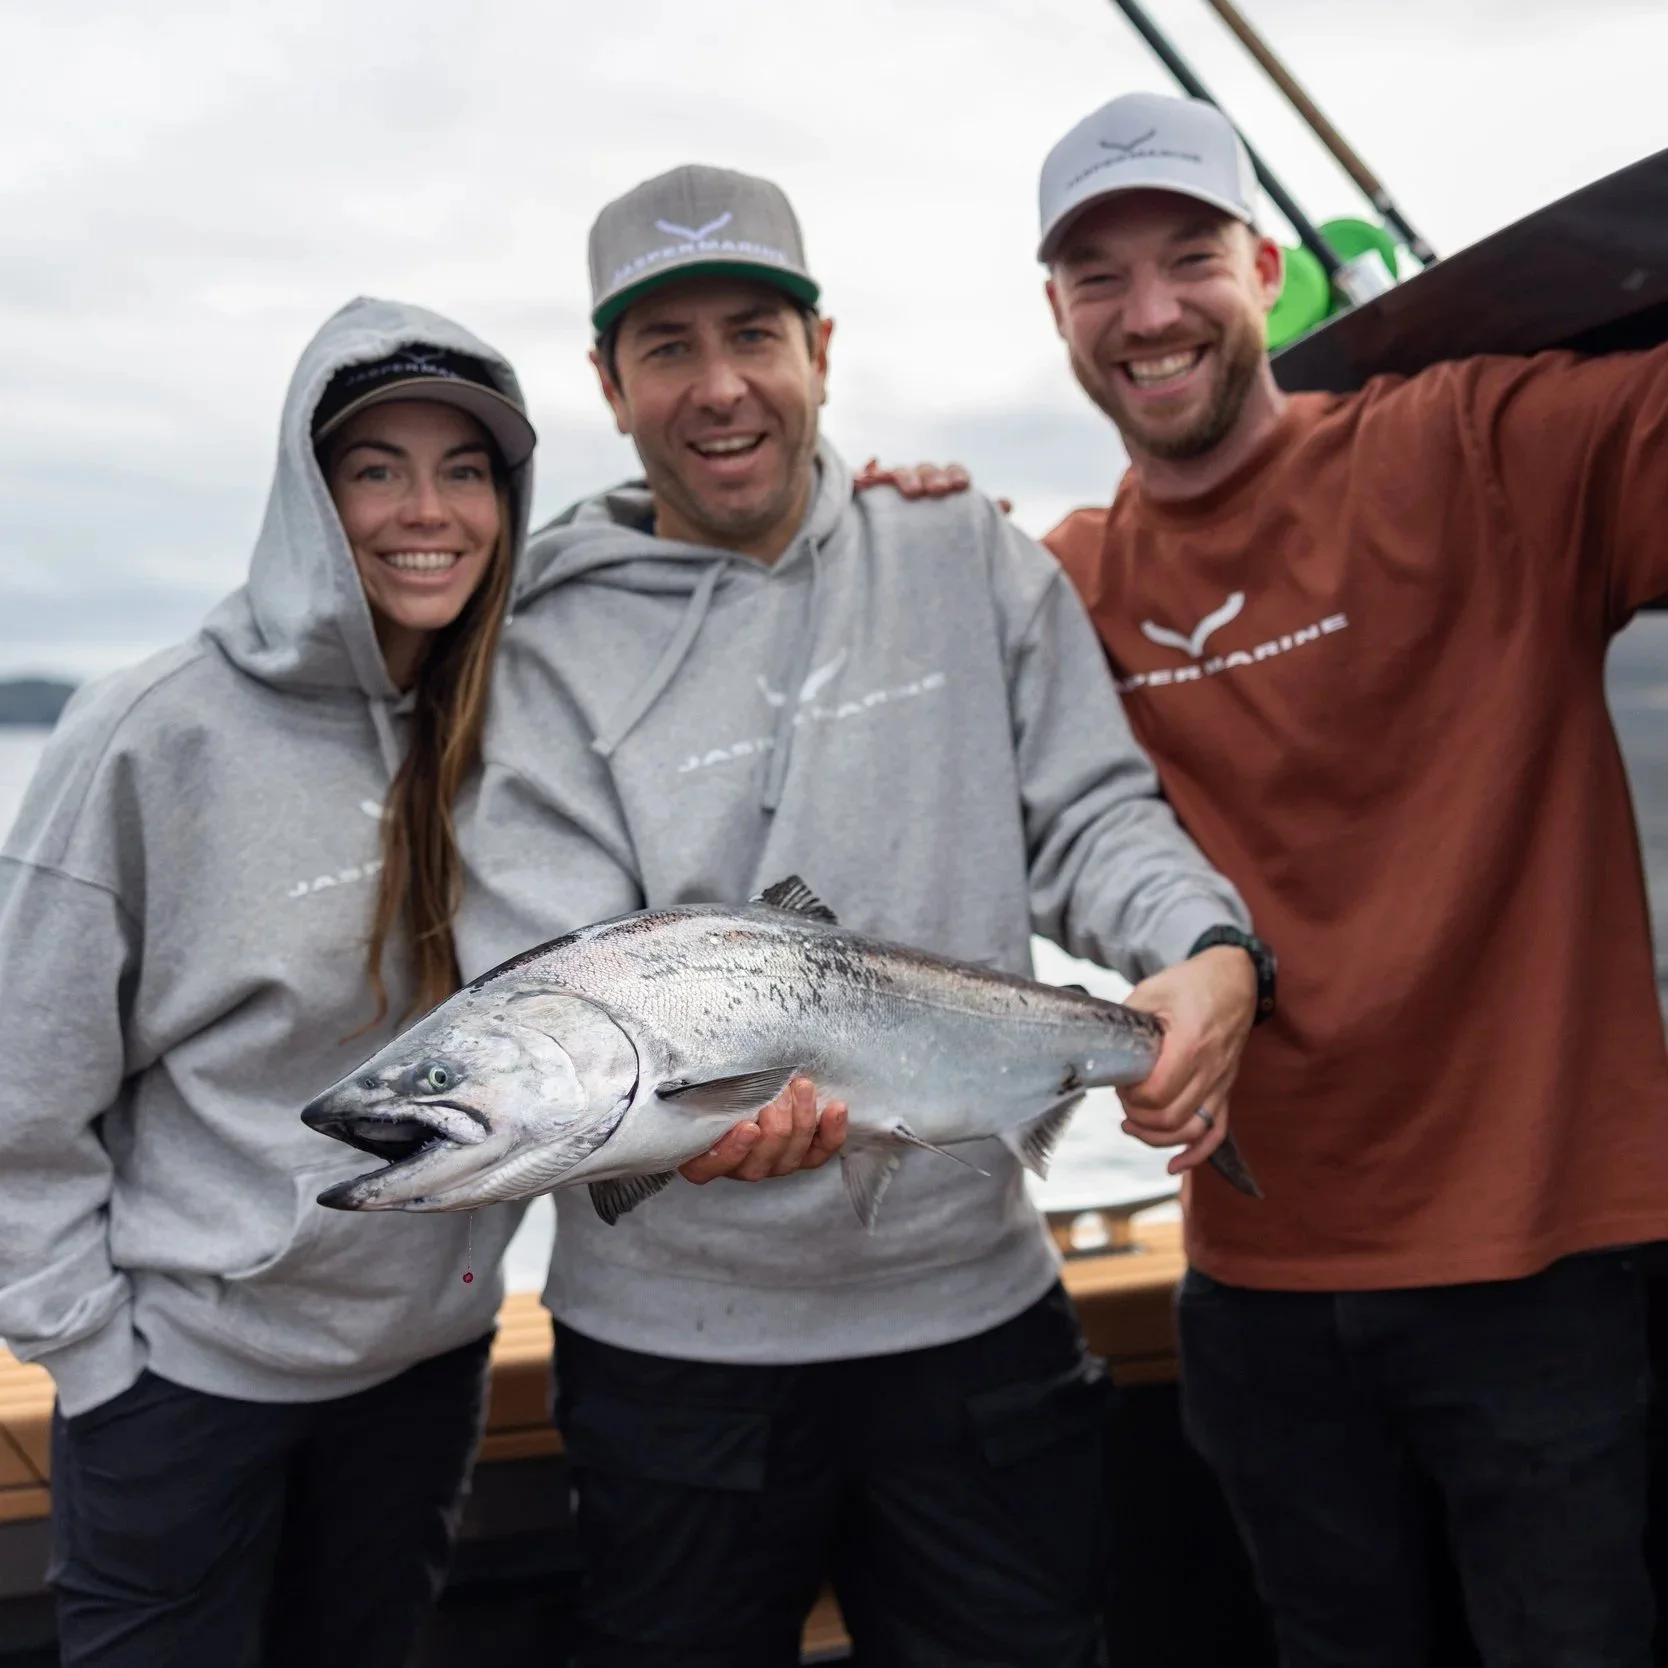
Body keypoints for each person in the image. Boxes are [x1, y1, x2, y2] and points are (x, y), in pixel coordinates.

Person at [458, 162, 1270, 1668]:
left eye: (756, 335)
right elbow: (559, 1002)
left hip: (977, 1325)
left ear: (821, 352)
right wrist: (688, 1123)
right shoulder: (540, 640)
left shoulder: (965, 553)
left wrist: (1204, 950)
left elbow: (1094, 819)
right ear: (607, 385)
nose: (721, 389)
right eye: (668, 348)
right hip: (671, 1363)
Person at [0, 296, 820, 1668]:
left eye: (464, 470)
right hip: (185, 1388)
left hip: (425, 1374)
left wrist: (862, 480)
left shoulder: (510, 714)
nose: (421, 509)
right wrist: (97, 1364)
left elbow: (685, 535)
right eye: (373, 467)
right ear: (306, 495)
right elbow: (23, 1097)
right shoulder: (151, 737)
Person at [1032, 90, 1668, 1667]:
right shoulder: (1064, 582)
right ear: (1055, 314)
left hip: (1546, 1266)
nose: (1152, 310)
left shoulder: (1479, 443)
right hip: (1253, 1283)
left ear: (1265, 263)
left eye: (1191, 256)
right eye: (1100, 278)